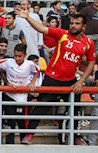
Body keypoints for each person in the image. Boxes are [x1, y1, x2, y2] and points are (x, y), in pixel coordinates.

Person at [16, 8, 96, 145]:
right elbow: (42, 29)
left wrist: (80, 81)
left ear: (84, 27)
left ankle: (76, 136)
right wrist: (28, 17)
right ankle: (30, 135)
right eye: (72, 23)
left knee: (75, 109)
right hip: (52, 79)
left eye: (77, 23)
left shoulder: (88, 43)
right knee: (40, 107)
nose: (73, 26)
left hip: (71, 81)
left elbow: (91, 62)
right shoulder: (62, 34)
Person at [0, 43, 39, 144]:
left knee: (22, 122)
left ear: (25, 55)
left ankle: (23, 141)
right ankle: (9, 143)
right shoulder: (8, 62)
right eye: (15, 56)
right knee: (10, 122)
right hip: (9, 95)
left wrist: (32, 82)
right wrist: (7, 82)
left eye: (19, 56)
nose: (17, 58)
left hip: (22, 97)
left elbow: (37, 70)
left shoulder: (30, 64)